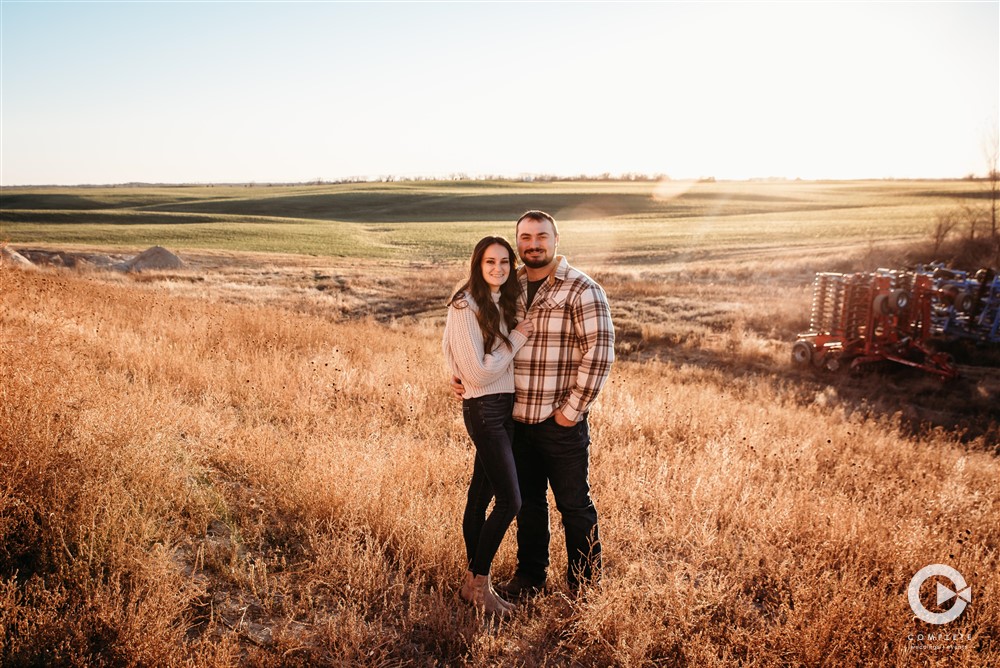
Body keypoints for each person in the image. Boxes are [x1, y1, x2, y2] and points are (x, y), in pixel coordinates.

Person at [452, 210, 615, 599]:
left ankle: (585, 586)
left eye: (541, 236)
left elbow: (601, 353)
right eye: (525, 237)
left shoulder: (581, 288)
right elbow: (477, 334)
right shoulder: (510, 286)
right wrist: (460, 371)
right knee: (528, 505)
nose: (533, 244)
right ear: (517, 242)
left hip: (559, 420)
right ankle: (530, 577)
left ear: (556, 241)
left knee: (574, 505)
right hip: (514, 419)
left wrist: (570, 412)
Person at [442, 235, 534, 617]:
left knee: (480, 499)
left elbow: (451, 349)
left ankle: (473, 584)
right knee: (510, 501)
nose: (497, 268)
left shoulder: (500, 300)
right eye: (489, 262)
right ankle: (480, 585)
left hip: (503, 407)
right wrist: (516, 339)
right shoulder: (466, 303)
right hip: (485, 411)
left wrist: (454, 369)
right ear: (477, 265)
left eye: (504, 262)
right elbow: (478, 372)